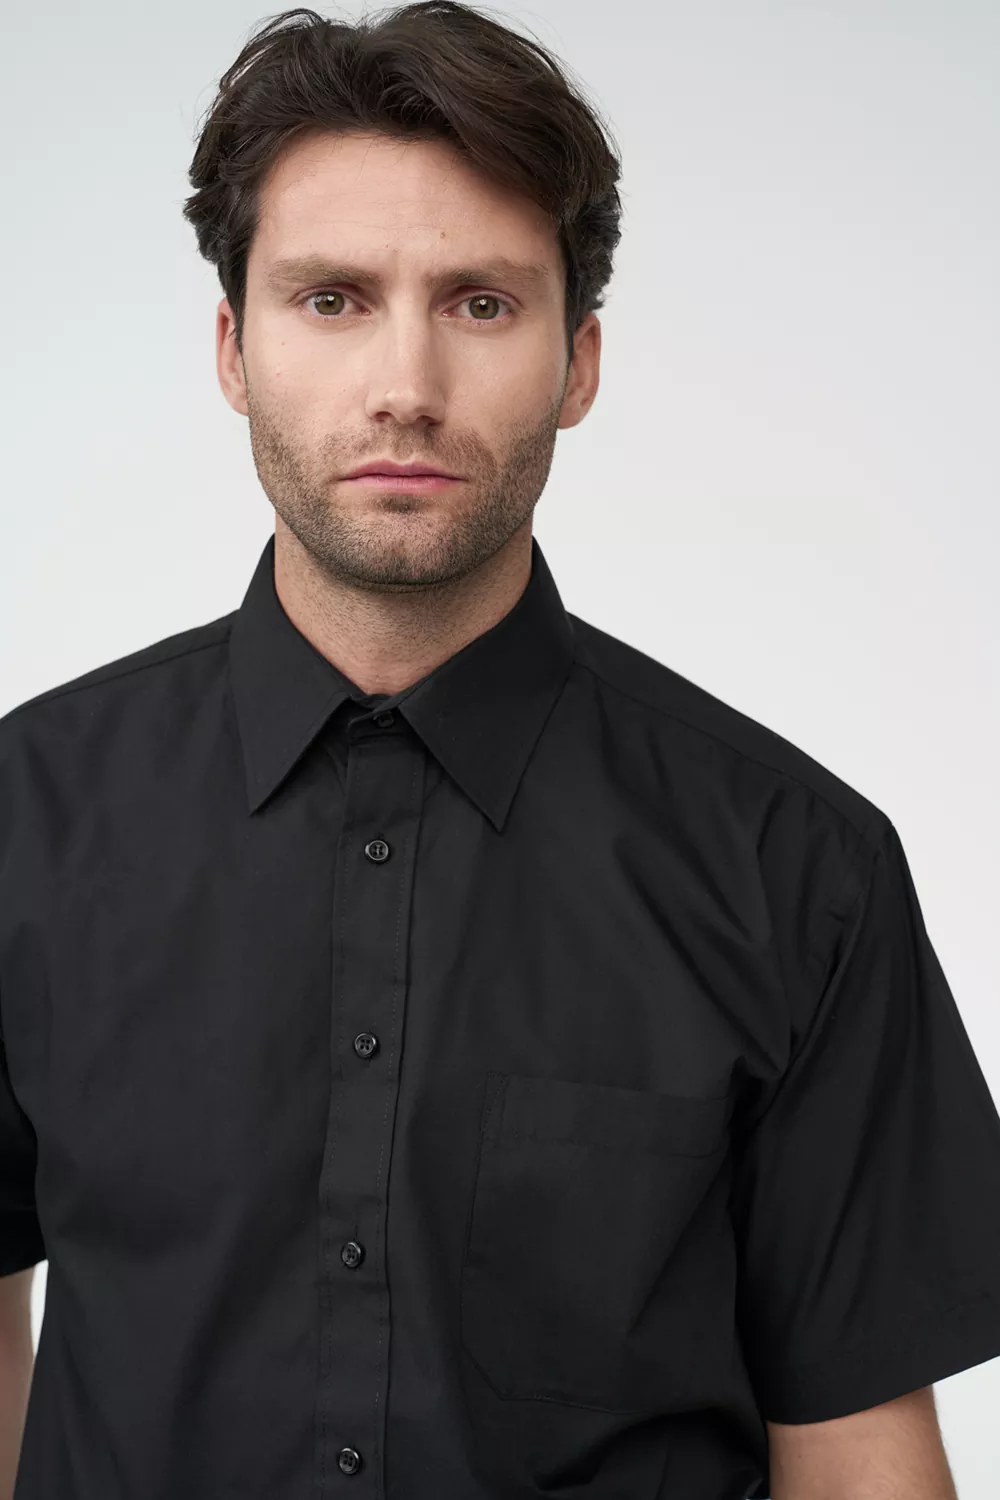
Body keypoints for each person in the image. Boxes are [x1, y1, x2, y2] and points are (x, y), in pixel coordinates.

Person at [1, 3, 998, 1497]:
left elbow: (861, 1456)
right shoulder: (24, 818)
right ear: (232, 350)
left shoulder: (800, 872)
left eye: (480, 303)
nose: (404, 383)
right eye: (331, 299)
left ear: (578, 362)